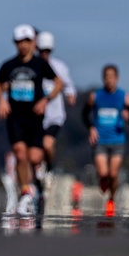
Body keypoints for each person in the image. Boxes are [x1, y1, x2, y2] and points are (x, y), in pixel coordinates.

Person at [0, 24, 63, 217]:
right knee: (19, 153)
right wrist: (1, 100)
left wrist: (46, 100)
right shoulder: (9, 66)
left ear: (33, 43)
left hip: (35, 118)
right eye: (19, 42)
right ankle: (25, 191)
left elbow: (59, 83)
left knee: (34, 158)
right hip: (15, 117)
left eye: (27, 42)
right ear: (15, 44)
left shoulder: (40, 64)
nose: (23, 46)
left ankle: (38, 185)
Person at [83, 63, 129, 217]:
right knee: (104, 173)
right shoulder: (95, 96)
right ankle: (103, 180)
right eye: (106, 77)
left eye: (112, 77)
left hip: (117, 140)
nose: (109, 80)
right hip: (100, 140)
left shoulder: (124, 96)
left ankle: (111, 199)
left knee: (113, 174)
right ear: (103, 78)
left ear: (117, 78)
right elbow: (84, 115)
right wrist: (91, 127)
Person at [35, 31, 76, 184]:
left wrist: (70, 94)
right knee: (35, 153)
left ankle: (49, 168)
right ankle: (38, 179)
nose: (45, 54)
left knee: (48, 144)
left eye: (48, 51)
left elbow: (68, 84)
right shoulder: (34, 66)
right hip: (36, 117)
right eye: (42, 51)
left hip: (54, 115)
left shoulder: (59, 67)